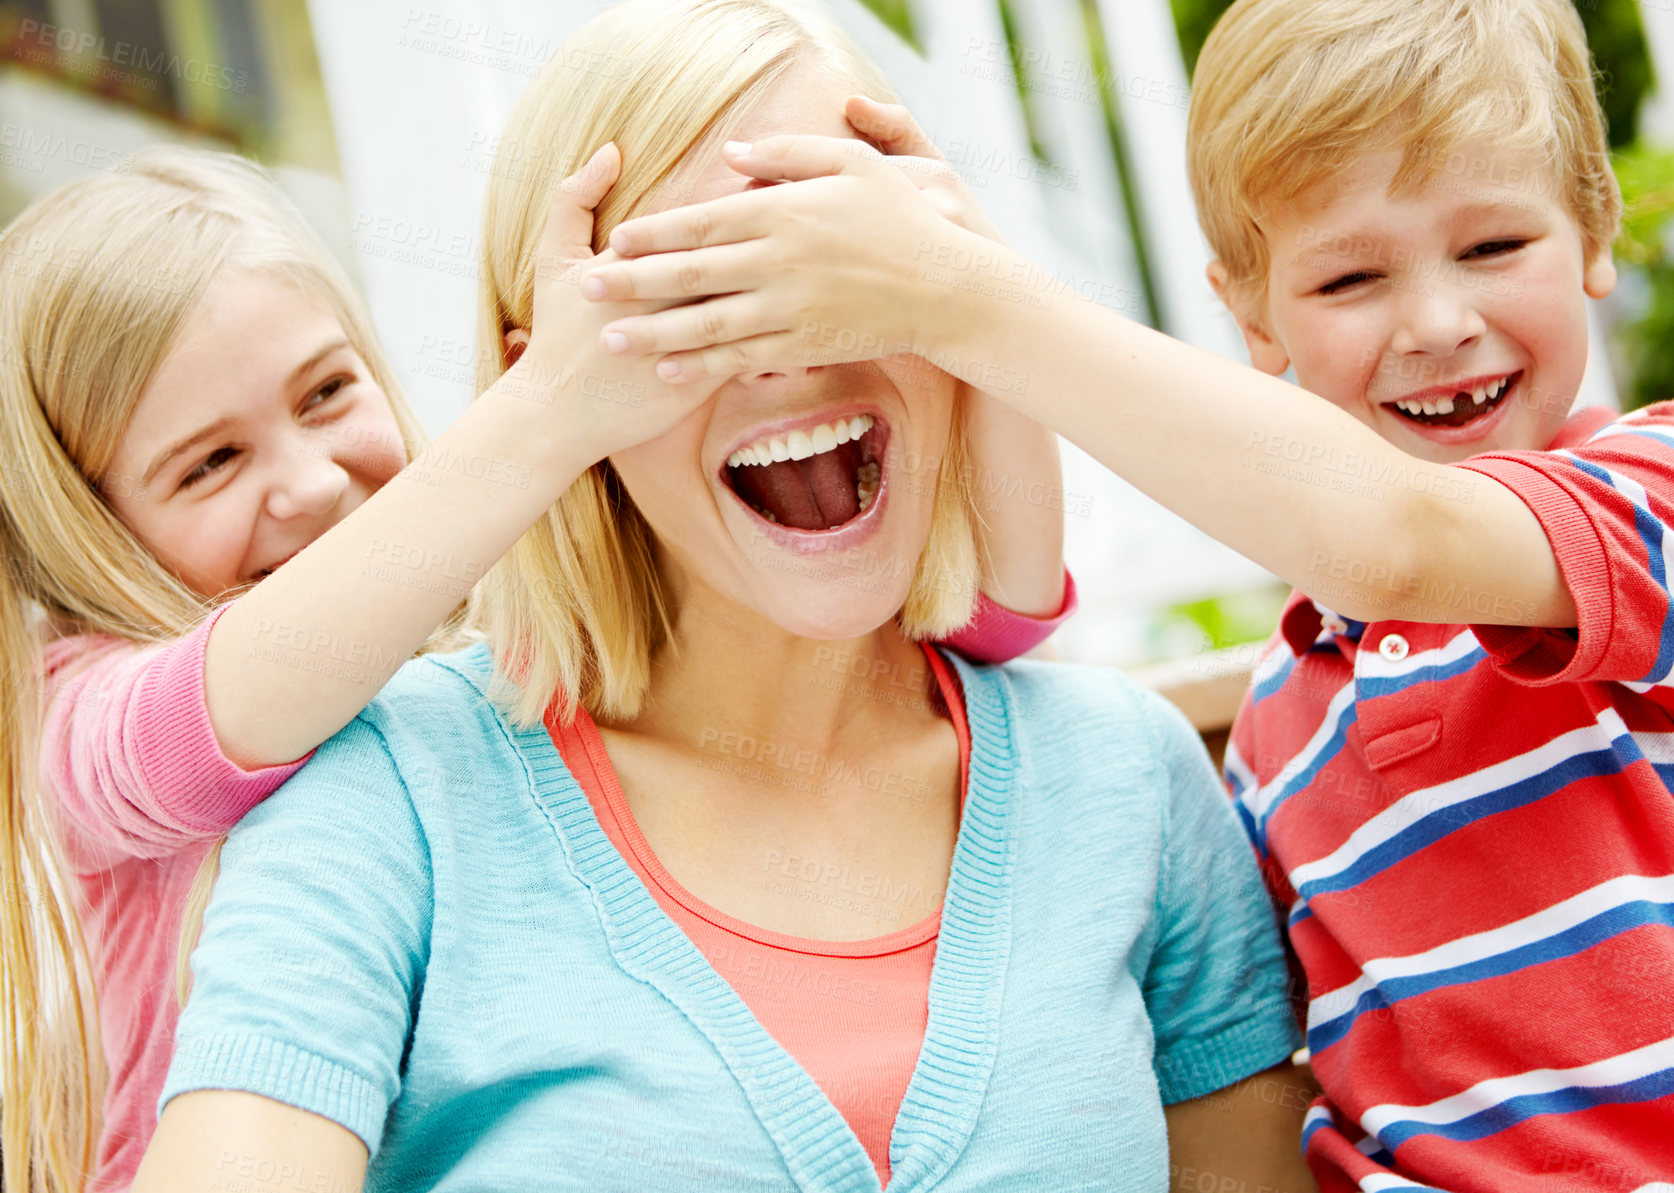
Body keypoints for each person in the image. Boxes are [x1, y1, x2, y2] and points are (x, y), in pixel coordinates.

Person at [136, 2, 1315, 1190]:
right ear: (554, 379)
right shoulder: (391, 803)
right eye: (690, 295)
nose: (787, 350)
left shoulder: (1126, 778)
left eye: (848, 264)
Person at [579, 0, 1674, 1187]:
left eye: (1495, 248)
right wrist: (952, 315)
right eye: (1351, 275)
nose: (1437, 322)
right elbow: (992, 613)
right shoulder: (1281, 725)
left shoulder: (1649, 498)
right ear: (1251, 315)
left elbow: (1396, 542)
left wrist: (970, 298)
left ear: (1595, 232)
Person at [0, 120, 1064, 1193]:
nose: (314, 482)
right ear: (86, 531)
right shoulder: (69, 727)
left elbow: (981, 613)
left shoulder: (472, 632)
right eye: (211, 463)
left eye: (327, 392)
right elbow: (222, 715)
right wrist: (554, 406)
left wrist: (982, 312)